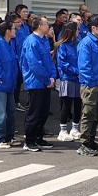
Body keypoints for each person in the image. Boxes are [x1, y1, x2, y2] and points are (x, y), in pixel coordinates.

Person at [19, 15, 57, 152]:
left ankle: (38, 137)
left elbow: (49, 60)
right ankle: (29, 140)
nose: (49, 26)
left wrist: (53, 76)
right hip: (36, 82)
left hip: (46, 81)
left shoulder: (44, 40)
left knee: (43, 112)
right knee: (34, 112)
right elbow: (34, 65)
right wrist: (47, 80)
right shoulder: (31, 41)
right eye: (46, 24)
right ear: (39, 26)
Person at [76, 14, 98, 156]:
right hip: (91, 85)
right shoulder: (86, 43)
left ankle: (91, 140)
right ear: (94, 28)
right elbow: (84, 66)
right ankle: (84, 143)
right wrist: (91, 84)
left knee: (97, 114)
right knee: (88, 114)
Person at [0, 20, 19, 148]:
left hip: (9, 84)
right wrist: (2, 79)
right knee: (0, 113)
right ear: (7, 31)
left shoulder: (10, 43)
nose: (15, 30)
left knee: (11, 111)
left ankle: (9, 137)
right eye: (13, 28)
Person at [53, 22, 82, 142]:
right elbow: (63, 64)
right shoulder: (62, 46)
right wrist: (77, 72)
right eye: (77, 29)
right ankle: (63, 130)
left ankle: (75, 128)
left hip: (78, 79)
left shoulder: (77, 44)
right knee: (66, 105)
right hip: (68, 78)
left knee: (78, 104)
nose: (78, 32)